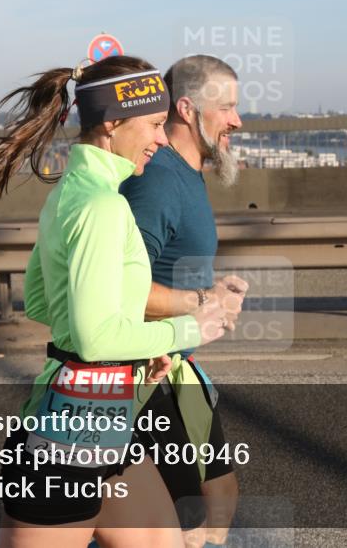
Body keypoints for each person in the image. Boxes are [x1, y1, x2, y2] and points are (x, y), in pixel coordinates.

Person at [0, 55, 235, 548]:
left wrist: (135, 349)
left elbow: (45, 305)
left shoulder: (70, 192)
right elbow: (93, 339)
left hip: (104, 421)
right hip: (67, 439)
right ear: (112, 123)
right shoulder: (104, 206)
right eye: (154, 125)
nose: (161, 138)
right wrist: (192, 327)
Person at [120, 55, 246, 548]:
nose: (237, 119)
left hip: (174, 361)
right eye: (228, 108)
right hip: (145, 369)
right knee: (184, 516)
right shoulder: (159, 182)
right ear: (188, 108)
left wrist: (212, 302)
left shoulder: (184, 173)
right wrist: (201, 300)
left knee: (216, 495)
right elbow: (120, 289)